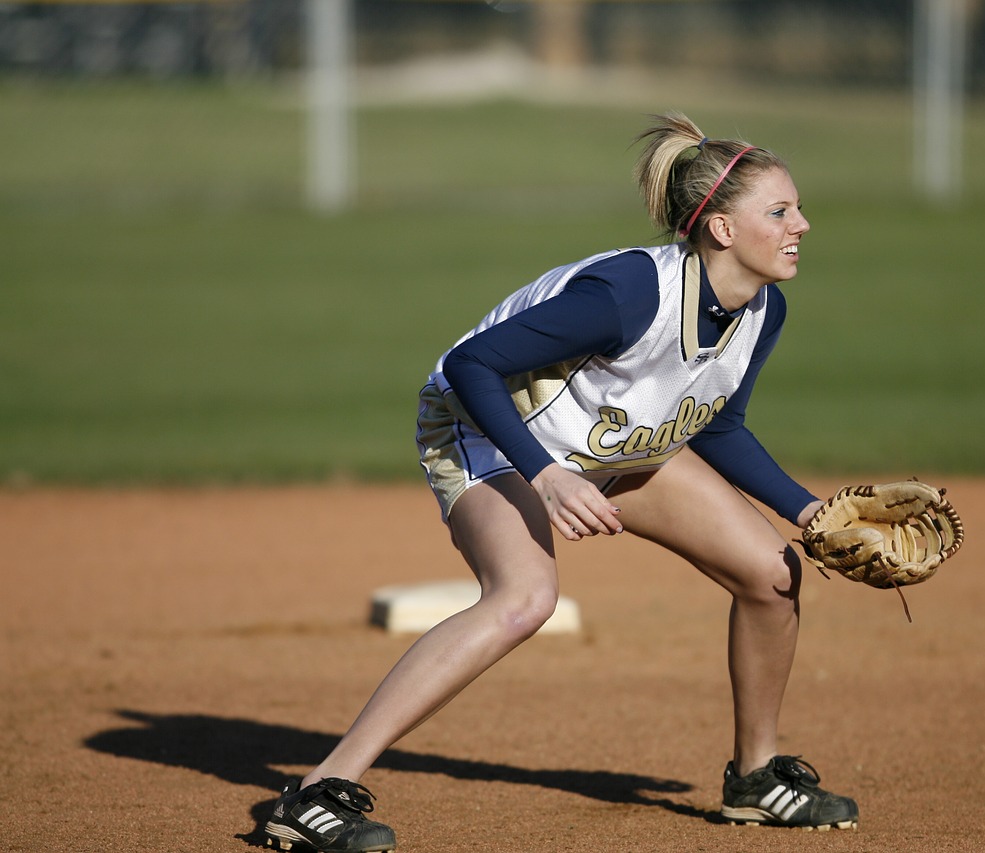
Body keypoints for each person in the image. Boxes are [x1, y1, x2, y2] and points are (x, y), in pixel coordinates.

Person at [262, 112, 858, 853]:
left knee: (772, 573)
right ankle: (317, 791)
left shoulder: (762, 309)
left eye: (795, 207)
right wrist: (542, 475)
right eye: (779, 211)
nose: (802, 223)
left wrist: (810, 511)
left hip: (607, 441)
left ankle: (758, 776)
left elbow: (718, 424)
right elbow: (469, 366)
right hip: (486, 430)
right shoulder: (628, 294)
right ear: (723, 230)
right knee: (525, 597)